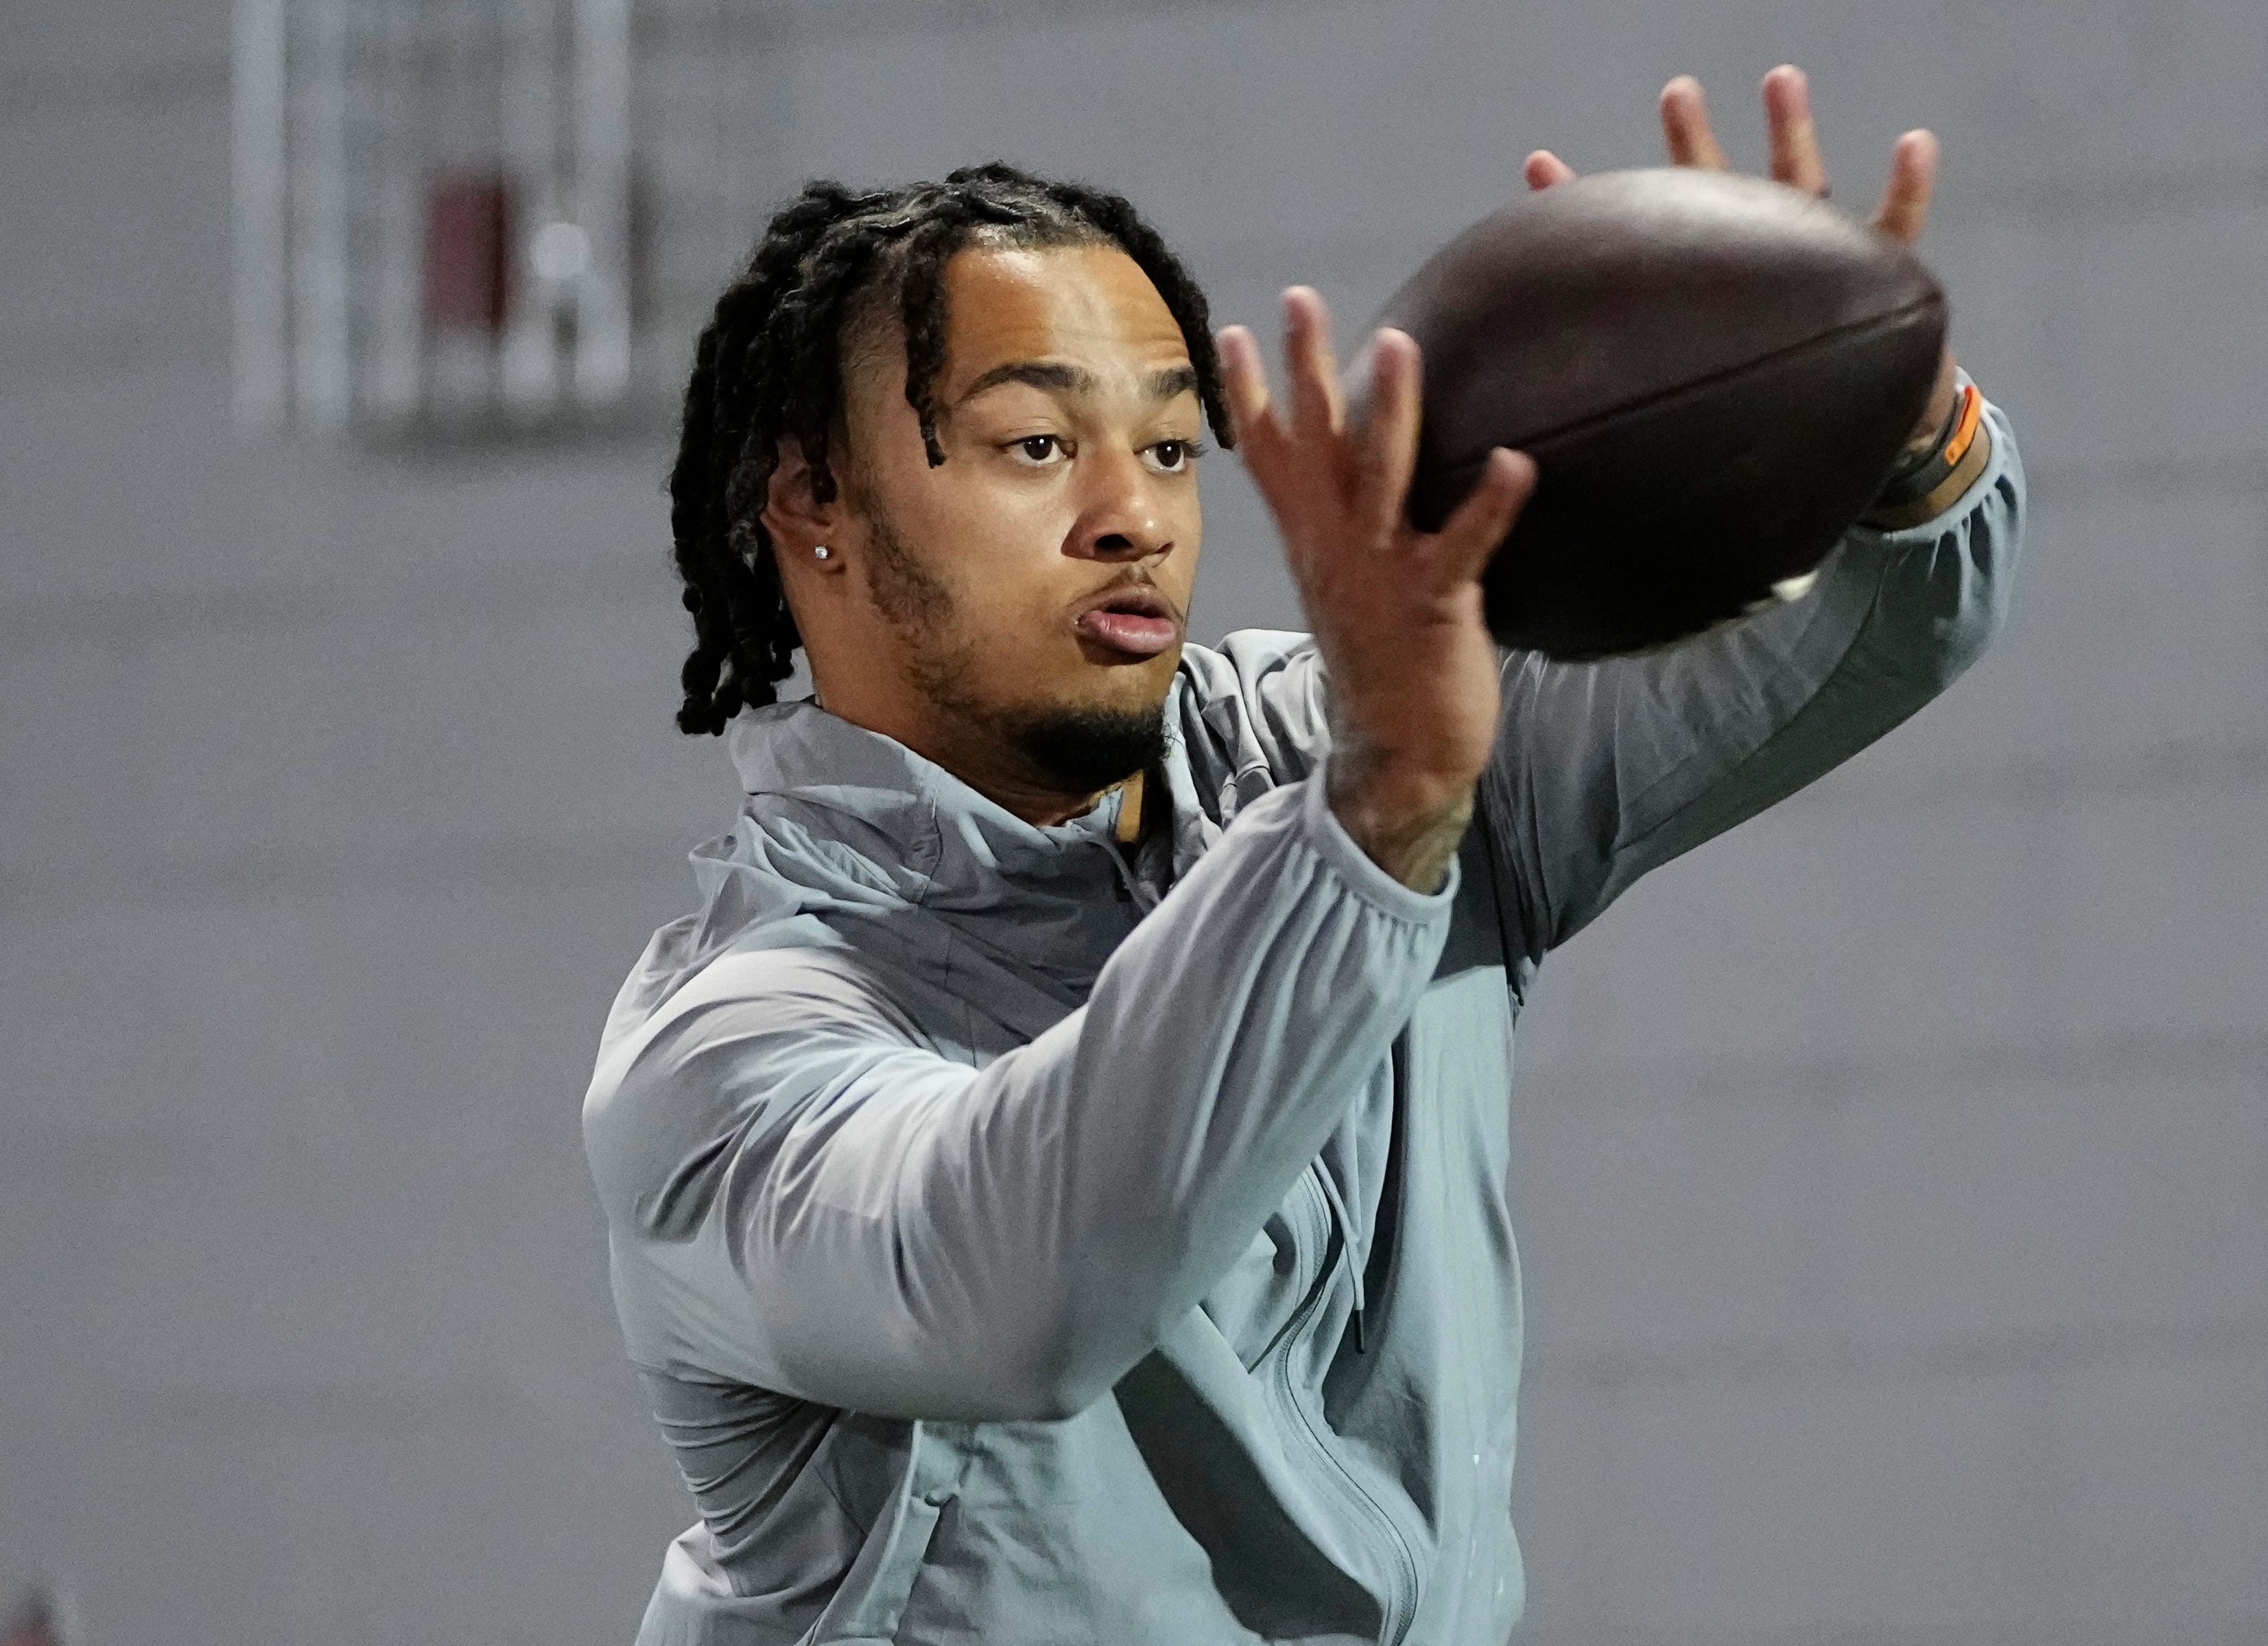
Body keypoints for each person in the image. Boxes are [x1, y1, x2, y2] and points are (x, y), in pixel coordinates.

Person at [582, 64, 2024, 1646]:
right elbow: (1027, 1284)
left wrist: (1889, 428)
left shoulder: (1332, 742)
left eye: (1176, 448)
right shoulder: (728, 1052)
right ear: (814, 501)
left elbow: (1869, 639)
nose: (1135, 515)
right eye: (1037, 447)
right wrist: (1382, 804)